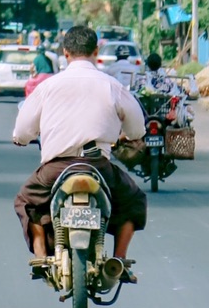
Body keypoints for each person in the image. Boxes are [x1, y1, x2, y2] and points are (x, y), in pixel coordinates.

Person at [11, 25, 148, 284]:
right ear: (96, 52)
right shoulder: (112, 86)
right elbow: (137, 129)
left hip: (56, 169)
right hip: (99, 167)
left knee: (26, 202)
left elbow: (22, 131)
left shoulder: (48, 86)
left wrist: (21, 139)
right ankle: (119, 260)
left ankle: (41, 256)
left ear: (65, 53)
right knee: (134, 201)